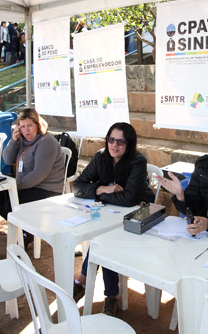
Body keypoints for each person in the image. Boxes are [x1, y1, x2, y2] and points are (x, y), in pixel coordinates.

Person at [72, 122, 154, 316]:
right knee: (103, 238)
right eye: (111, 139)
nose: (114, 145)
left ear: (129, 144)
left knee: (103, 241)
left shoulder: (137, 161)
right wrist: (101, 189)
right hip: (112, 213)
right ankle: (109, 294)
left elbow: (130, 199)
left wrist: (97, 194)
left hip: (139, 213)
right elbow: (77, 186)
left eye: (120, 141)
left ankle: (86, 283)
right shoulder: (101, 157)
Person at [0, 108, 65, 224]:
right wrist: (13, 140)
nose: (26, 130)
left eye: (30, 125)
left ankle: (26, 234)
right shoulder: (21, 140)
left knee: (11, 204)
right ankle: (21, 230)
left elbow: (39, 174)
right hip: (26, 185)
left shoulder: (46, 142)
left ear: (38, 125)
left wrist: (15, 186)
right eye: (22, 126)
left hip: (45, 189)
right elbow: (8, 159)